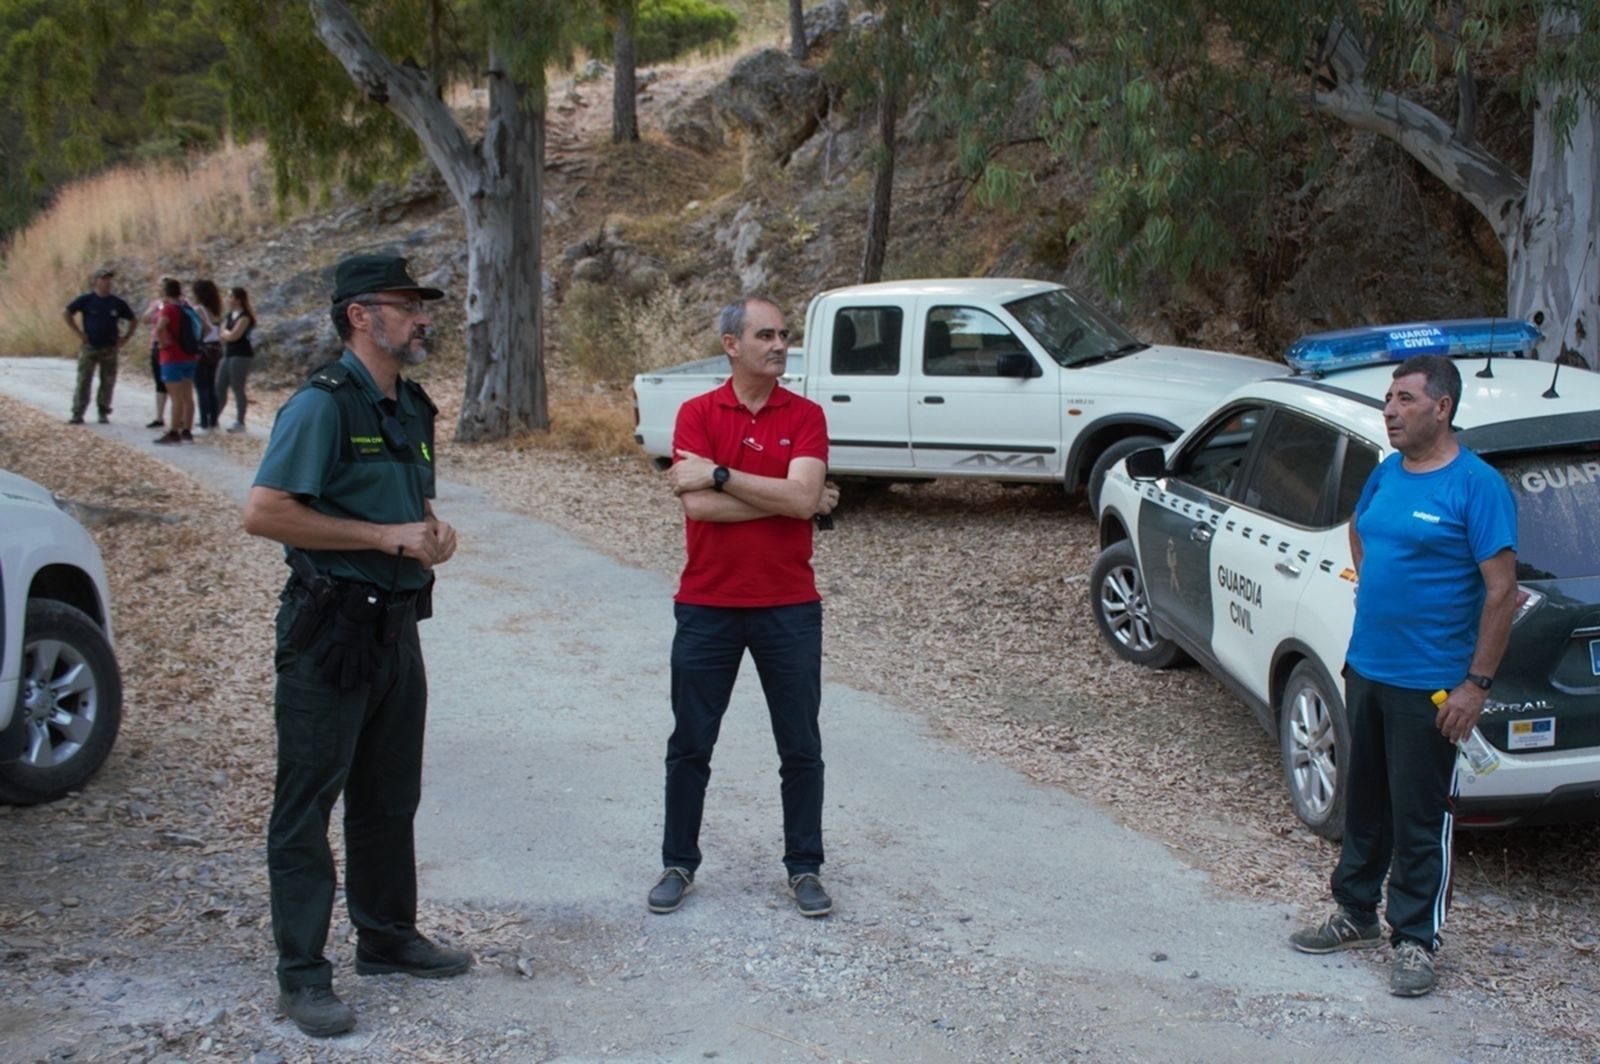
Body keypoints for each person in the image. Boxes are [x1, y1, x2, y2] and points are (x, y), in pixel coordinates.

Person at [242, 253, 468, 1038]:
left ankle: (387, 937)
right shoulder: (322, 405)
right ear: (359, 317)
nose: (421, 318)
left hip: (397, 628)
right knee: (307, 805)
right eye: (406, 307)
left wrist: (433, 535)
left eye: (420, 307)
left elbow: (414, 503)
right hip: (329, 630)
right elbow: (265, 512)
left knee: (388, 795)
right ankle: (303, 975)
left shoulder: (410, 405)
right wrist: (380, 536)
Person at [1289, 354, 1517, 997]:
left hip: (1433, 685)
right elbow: (1362, 530)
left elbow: (1502, 592)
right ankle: (1354, 913)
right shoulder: (1387, 473)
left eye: (1405, 399)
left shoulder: (1477, 486)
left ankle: (1416, 938)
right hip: (1368, 669)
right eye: (1388, 399)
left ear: (1442, 408)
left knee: (1420, 817)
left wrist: (1476, 685)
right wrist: (1374, 587)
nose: (1389, 410)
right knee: (1364, 805)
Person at [648, 295, 840, 919]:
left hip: (789, 605)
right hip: (708, 604)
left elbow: (804, 496)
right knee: (691, 743)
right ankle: (678, 862)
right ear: (732, 344)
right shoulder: (697, 412)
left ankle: (804, 868)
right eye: (766, 335)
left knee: (800, 745)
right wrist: (786, 497)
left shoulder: (806, 414)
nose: (780, 344)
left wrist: (723, 475)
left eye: (785, 334)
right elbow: (697, 507)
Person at [63, 267, 137, 424]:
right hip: (90, 346)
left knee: (108, 381)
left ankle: (103, 411)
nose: (107, 282)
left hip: (109, 347)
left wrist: (125, 338)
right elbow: (67, 312)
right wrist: (78, 333)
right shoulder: (87, 300)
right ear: (96, 281)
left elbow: (132, 319)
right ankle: (78, 412)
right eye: (104, 278)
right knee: (84, 380)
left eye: (109, 279)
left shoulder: (117, 303)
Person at [153, 278, 198, 444]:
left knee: (176, 396)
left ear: (165, 292)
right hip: (190, 356)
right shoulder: (187, 308)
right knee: (188, 395)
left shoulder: (168, 309)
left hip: (172, 357)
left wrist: (162, 342)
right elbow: (204, 329)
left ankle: (173, 431)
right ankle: (187, 430)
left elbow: (160, 327)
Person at [219, 286, 256, 432]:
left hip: (241, 354)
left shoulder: (245, 317)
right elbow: (223, 334)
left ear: (238, 299)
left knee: (237, 387)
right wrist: (227, 334)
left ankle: (240, 422)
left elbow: (234, 336)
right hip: (228, 353)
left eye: (231, 297)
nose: (228, 300)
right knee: (220, 385)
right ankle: (213, 417)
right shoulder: (229, 316)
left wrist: (226, 334)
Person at [191, 279, 224, 432]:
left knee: (201, 387)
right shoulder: (215, 310)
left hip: (203, 350)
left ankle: (204, 422)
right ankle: (213, 420)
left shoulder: (199, 310)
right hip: (216, 350)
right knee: (211, 386)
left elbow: (204, 329)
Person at [142, 278, 173, 429]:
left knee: (174, 382)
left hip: (172, 345)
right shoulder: (156, 304)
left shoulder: (180, 303)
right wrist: (157, 308)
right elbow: (145, 319)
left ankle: (178, 416)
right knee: (159, 381)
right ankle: (159, 417)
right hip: (156, 344)